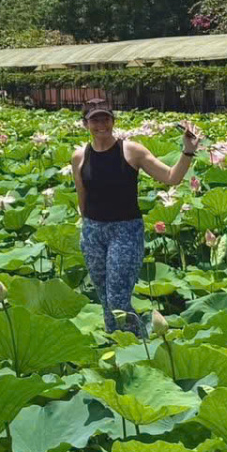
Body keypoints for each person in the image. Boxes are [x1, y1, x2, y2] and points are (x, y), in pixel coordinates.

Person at [71, 98, 200, 338]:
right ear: (85, 124)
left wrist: (188, 151)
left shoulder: (131, 151)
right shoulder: (79, 156)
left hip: (125, 231)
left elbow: (171, 178)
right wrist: (86, 229)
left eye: (105, 118)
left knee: (118, 300)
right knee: (104, 298)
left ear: (113, 121)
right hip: (93, 232)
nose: (101, 125)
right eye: (94, 120)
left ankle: (140, 346)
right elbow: (82, 197)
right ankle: (117, 344)